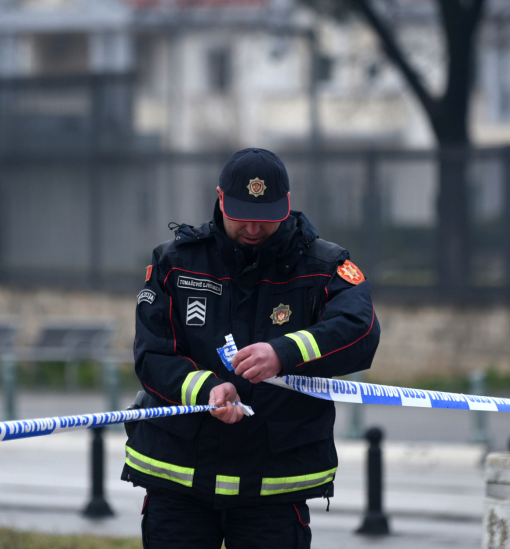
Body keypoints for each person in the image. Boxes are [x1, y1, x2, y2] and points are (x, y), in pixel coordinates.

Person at [123, 148, 380, 549]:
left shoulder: (322, 266)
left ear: (287, 204)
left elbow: (359, 330)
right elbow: (152, 354)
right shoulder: (175, 262)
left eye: (267, 216)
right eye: (242, 215)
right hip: (180, 478)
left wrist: (284, 353)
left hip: (272, 484)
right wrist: (207, 390)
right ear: (220, 199)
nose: (254, 228)